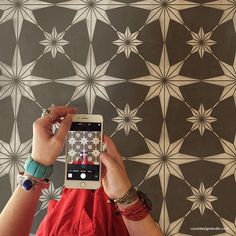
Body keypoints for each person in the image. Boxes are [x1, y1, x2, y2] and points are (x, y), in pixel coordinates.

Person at [0, 106, 163, 236]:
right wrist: (125, 197)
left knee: (77, 188)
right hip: (115, 222)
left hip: (64, 222)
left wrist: (37, 168)